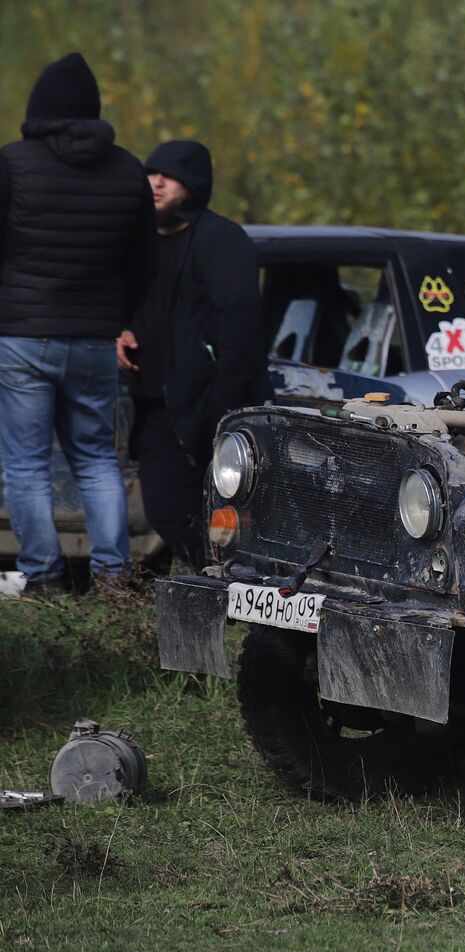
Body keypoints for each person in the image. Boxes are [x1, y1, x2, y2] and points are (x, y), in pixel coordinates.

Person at [0, 52, 157, 592]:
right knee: (95, 459)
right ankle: (114, 576)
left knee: (26, 466)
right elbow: (144, 262)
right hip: (93, 338)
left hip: (21, 335)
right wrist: (117, 317)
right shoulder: (129, 169)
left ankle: (43, 578)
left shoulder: (12, 163)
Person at [116, 140, 269, 569]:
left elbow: (240, 328)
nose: (156, 182)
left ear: (194, 185)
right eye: (151, 173)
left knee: (236, 512)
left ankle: (234, 590)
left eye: (170, 175)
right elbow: (116, 300)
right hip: (157, 409)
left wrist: (224, 409)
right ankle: (216, 576)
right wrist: (117, 330)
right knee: (166, 508)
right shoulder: (137, 240)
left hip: (214, 405)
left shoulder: (221, 239)